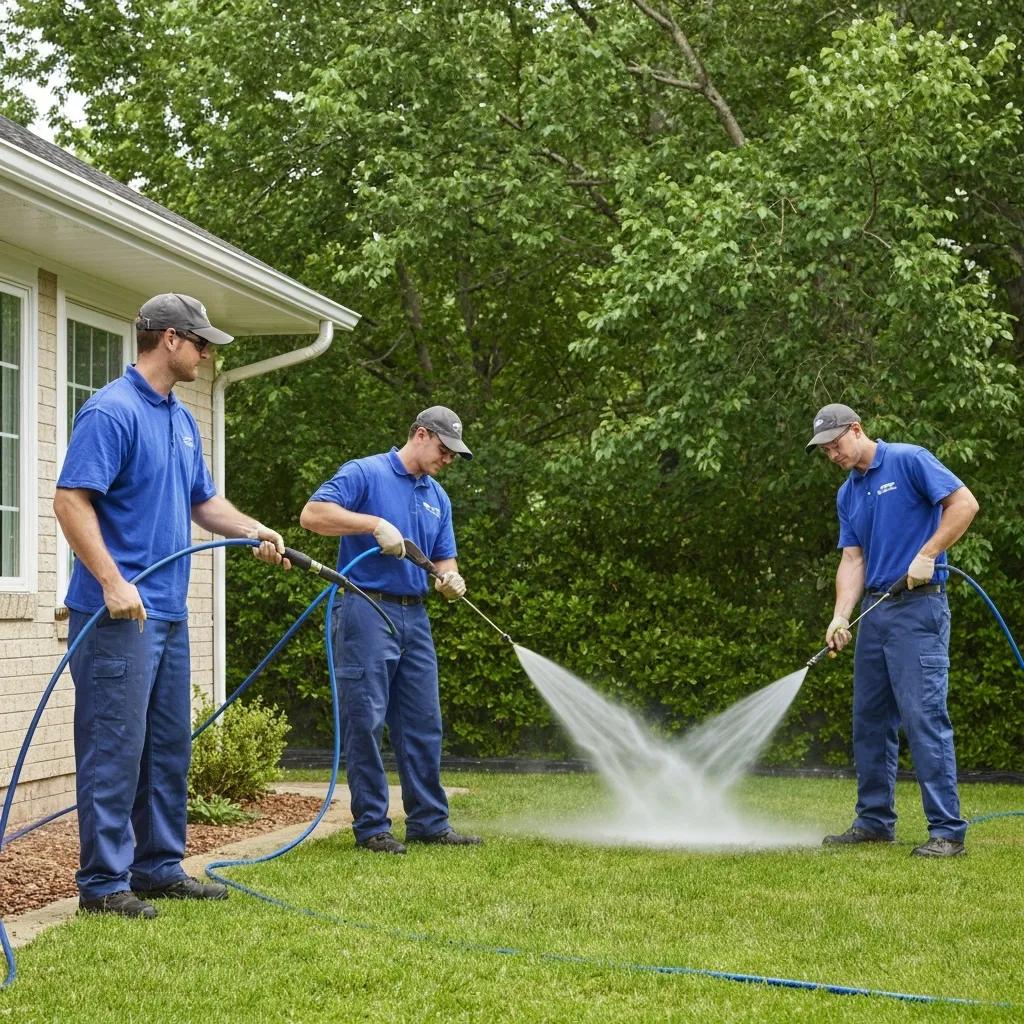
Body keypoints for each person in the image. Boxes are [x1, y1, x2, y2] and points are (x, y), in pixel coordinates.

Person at [53, 293, 289, 918]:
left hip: (169, 611)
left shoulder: (181, 420)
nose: (209, 353)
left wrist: (254, 529)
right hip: (117, 616)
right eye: (203, 342)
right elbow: (70, 501)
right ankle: (103, 885)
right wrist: (110, 581)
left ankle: (157, 866)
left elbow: (203, 503)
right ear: (170, 340)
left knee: (164, 745)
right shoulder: (112, 411)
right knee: (115, 746)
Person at [300, 406, 481, 854]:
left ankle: (429, 823)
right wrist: (374, 524)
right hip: (365, 608)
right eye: (444, 449)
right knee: (366, 720)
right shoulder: (365, 473)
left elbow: (444, 558)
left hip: (414, 615)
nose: (449, 460)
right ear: (421, 435)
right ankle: (372, 828)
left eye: (455, 454)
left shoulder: (438, 496)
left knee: (423, 722)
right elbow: (312, 515)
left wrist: (451, 580)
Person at [806, 403, 979, 858]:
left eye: (836, 444)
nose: (832, 455)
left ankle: (947, 831)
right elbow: (853, 559)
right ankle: (874, 822)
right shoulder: (848, 493)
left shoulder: (908, 459)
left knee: (923, 718)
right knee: (870, 721)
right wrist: (841, 614)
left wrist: (929, 554)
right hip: (875, 613)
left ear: (856, 429)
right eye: (824, 450)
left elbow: (964, 503)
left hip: (919, 610)